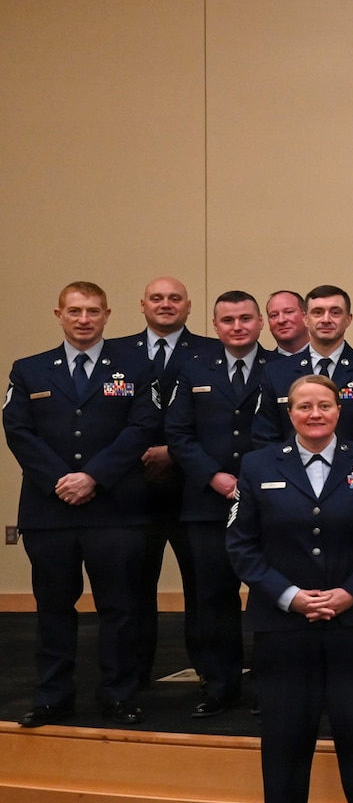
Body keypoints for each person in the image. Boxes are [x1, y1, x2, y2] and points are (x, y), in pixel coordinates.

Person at [228, 373, 353, 803]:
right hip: (285, 627)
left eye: (324, 405)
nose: (315, 414)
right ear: (290, 412)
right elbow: (241, 545)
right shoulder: (258, 465)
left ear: (338, 410)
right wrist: (292, 597)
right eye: (304, 406)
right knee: (285, 737)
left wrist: (352, 593)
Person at [5, 281, 160, 727]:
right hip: (49, 511)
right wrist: (61, 480)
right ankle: (53, 696)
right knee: (53, 607)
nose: (84, 319)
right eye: (74, 311)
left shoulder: (135, 367)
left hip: (114, 509)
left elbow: (143, 426)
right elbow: (18, 431)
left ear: (108, 315)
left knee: (119, 607)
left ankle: (117, 694)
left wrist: (94, 476)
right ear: (58, 315)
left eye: (93, 311)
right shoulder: (29, 370)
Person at [163, 290, 273, 717]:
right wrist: (214, 476)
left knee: (269, 595)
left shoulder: (280, 369)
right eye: (228, 320)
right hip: (207, 501)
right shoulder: (192, 371)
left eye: (246, 318)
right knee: (213, 597)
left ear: (260, 322)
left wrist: (255, 479)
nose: (237, 327)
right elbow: (179, 434)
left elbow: (291, 433)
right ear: (215, 326)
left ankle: (269, 685)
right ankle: (220, 685)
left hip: (269, 501)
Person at [114, 275, 215, 698]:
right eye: (157, 298)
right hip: (131, 490)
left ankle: (211, 674)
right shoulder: (116, 353)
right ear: (142, 305)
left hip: (192, 489)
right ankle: (133, 676)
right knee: (133, 589)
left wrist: (174, 451)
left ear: (189, 307)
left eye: (175, 298)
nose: (166, 304)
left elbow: (219, 422)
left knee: (203, 588)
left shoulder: (211, 352)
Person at [254, 286, 353, 445]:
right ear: (306, 319)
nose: (326, 320)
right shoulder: (277, 373)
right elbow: (265, 437)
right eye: (318, 312)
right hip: (290, 467)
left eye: (335, 312)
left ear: (348, 319)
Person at [266, 290, 310, 356]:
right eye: (274, 315)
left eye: (289, 312)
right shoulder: (263, 365)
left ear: (306, 317)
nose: (281, 320)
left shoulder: (325, 359)